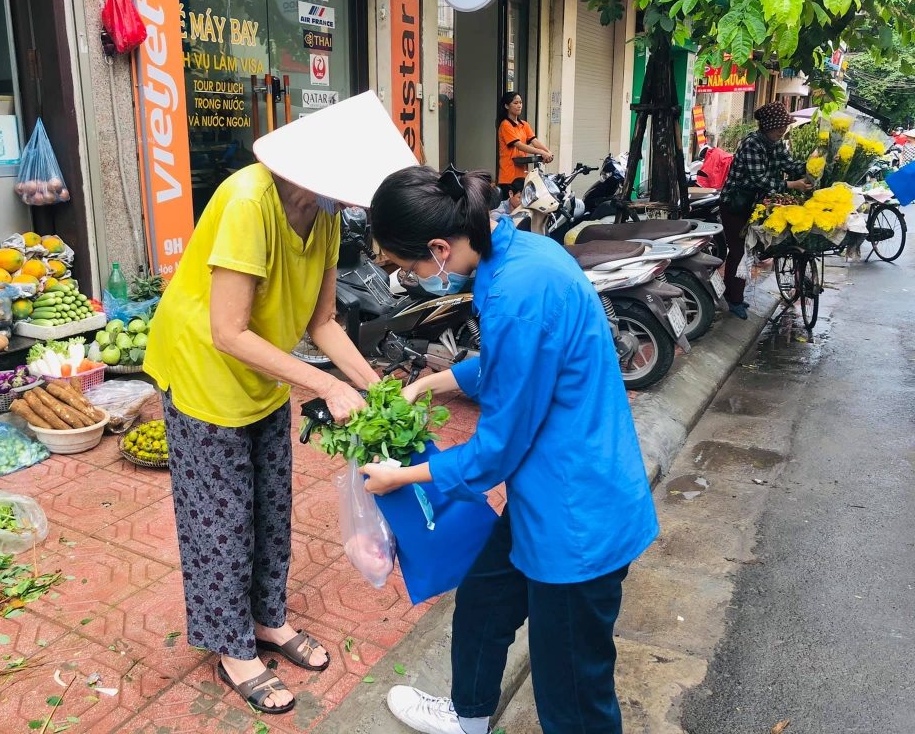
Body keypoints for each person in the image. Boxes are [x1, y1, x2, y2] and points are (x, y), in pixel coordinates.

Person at [360, 165, 660, 734]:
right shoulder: (522, 254)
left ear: (440, 247)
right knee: (484, 603)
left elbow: (498, 448)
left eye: (408, 266)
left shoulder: (518, 293)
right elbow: (520, 364)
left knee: (572, 691)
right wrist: (432, 382)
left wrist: (408, 475)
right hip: (545, 496)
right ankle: (469, 718)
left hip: (573, 515)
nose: (409, 277)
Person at [143, 93, 415, 716]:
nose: (352, 202)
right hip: (205, 371)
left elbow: (322, 323)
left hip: (263, 372)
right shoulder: (247, 202)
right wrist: (322, 385)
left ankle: (267, 619)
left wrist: (372, 388)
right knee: (220, 520)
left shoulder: (321, 219)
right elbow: (227, 332)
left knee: (270, 504)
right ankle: (231, 647)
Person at [720, 101, 811, 320]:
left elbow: (791, 166)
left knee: (748, 251)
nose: (783, 130)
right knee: (739, 251)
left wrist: (815, 165)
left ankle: (730, 293)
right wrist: (793, 185)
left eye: (785, 126)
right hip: (736, 205)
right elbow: (759, 180)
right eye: (779, 126)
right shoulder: (752, 143)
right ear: (768, 125)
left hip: (757, 206)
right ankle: (733, 299)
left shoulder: (776, 144)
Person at [497, 92, 553, 186]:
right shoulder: (505, 125)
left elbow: (534, 141)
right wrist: (542, 153)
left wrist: (548, 152)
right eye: (515, 103)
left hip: (523, 175)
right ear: (507, 106)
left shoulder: (524, 124)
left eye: (520, 102)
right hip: (509, 177)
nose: (519, 106)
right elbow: (519, 146)